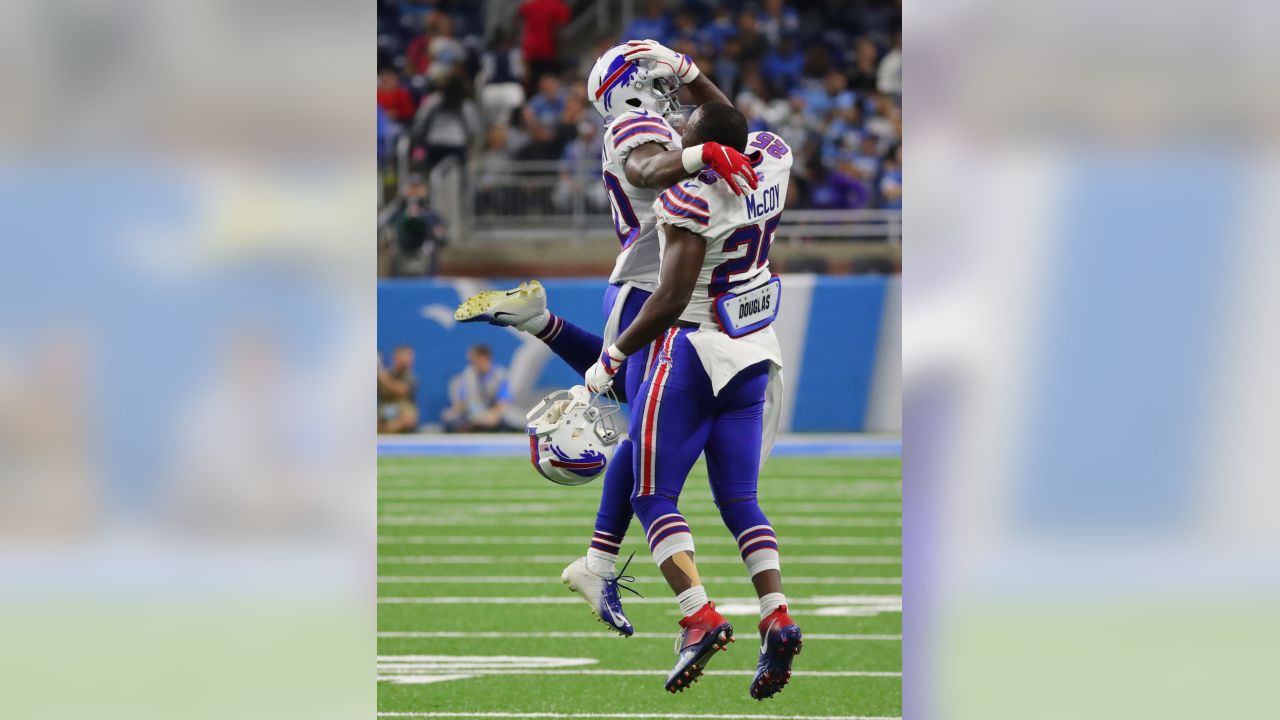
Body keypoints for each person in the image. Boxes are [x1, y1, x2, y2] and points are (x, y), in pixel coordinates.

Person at [453, 41, 762, 638]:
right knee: (637, 420)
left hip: (657, 286)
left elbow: (729, 126)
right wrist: (703, 153)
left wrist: (694, 74)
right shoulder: (633, 123)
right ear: (629, 86)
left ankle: (595, 561)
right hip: (652, 286)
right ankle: (598, 564)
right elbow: (649, 169)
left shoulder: (657, 120)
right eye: (657, 77)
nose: (671, 87)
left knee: (633, 410)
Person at [581, 103, 799, 699]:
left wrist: (614, 356)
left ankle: (698, 613)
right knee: (739, 499)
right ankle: (776, 613)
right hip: (755, 347)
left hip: (694, 351)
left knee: (652, 493)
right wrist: (684, 71)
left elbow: (671, 296)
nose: (677, 131)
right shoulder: (773, 159)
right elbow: (730, 118)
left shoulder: (690, 199)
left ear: (701, 143)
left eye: (687, 128)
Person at [441, 344, 515, 432]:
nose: (471, 362)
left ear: (483, 357)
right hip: (472, 414)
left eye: (473, 359)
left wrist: (492, 415)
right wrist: (455, 411)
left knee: (505, 421)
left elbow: (504, 401)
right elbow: (462, 402)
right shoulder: (467, 374)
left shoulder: (500, 375)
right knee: (451, 421)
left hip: (494, 416)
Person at [389, 174, 448, 277]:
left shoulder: (430, 212)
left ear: (425, 189)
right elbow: (383, 225)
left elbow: (442, 235)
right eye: (412, 187)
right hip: (401, 257)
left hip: (424, 258)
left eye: (418, 187)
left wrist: (438, 232)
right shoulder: (397, 210)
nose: (415, 191)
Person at [517, 0, 571, 92]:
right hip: (548, 50)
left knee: (533, 84)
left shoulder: (530, 4)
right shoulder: (556, 5)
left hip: (530, 49)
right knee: (551, 82)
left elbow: (520, 14)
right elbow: (561, 25)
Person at [377, 347, 419, 433]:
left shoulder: (411, 378)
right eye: (404, 356)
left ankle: (386, 431)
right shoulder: (385, 375)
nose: (407, 360)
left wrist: (382, 376)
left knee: (410, 417)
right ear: (395, 357)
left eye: (410, 357)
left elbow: (402, 390)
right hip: (384, 410)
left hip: (402, 411)